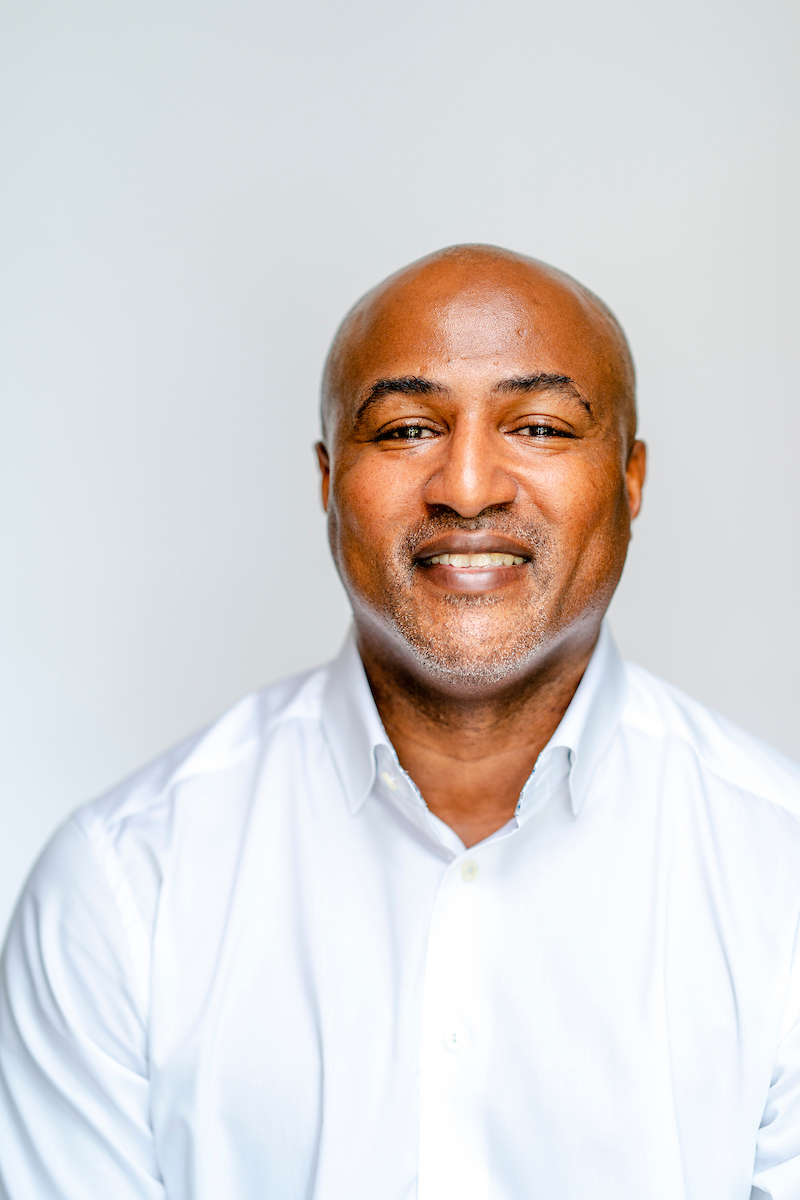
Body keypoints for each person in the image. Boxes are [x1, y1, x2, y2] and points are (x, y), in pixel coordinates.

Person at [1, 244, 799, 1200]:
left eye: (539, 427)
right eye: (408, 429)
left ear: (630, 481)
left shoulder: (780, 873)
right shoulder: (123, 889)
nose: (467, 486)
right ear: (329, 480)